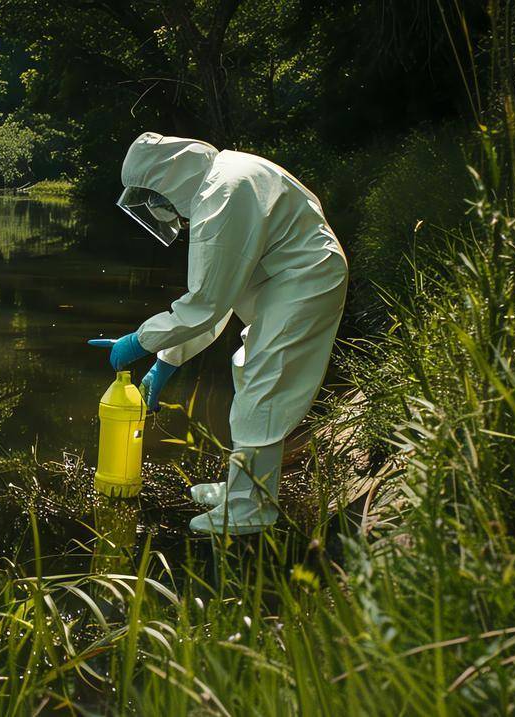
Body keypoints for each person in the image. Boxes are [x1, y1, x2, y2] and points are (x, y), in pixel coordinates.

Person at [93, 132, 348, 534]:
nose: (160, 209)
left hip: (305, 281)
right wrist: (165, 362)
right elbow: (216, 305)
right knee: (250, 373)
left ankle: (250, 510)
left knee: (265, 386)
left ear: (167, 179)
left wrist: (138, 341)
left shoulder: (223, 195)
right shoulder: (223, 179)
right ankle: (241, 488)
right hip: (287, 280)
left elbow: (206, 303)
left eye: (154, 197)